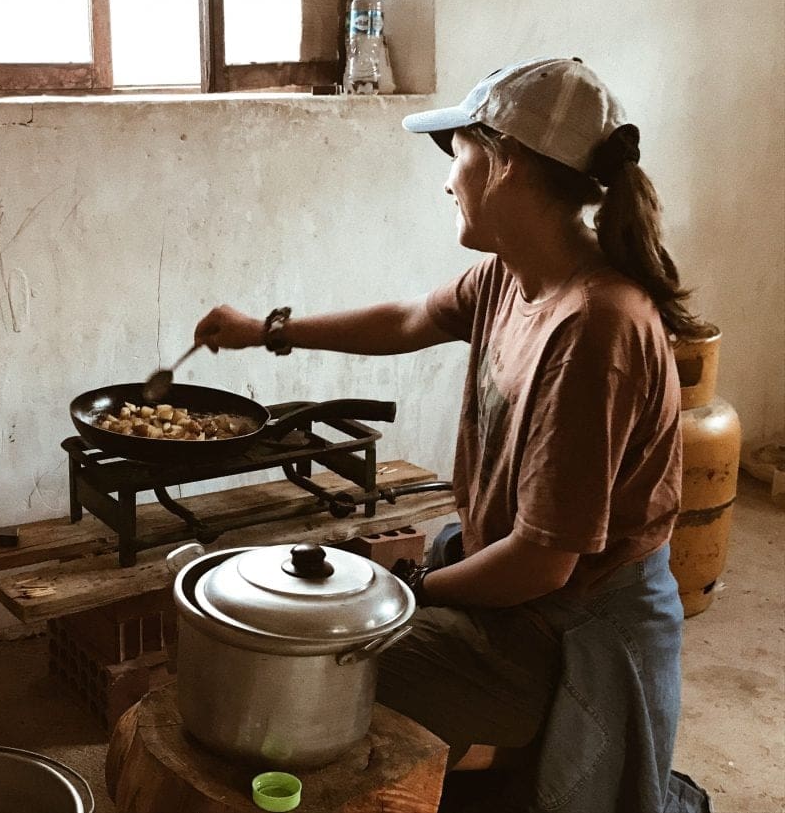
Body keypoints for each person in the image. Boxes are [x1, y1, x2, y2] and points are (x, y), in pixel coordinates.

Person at [193, 58, 713, 813]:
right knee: (351, 617)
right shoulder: (513, 274)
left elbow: (541, 563)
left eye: (457, 154)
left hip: (569, 632)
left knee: (347, 669)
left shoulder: (595, 328)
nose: (448, 179)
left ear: (502, 162)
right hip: (522, 591)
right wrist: (266, 330)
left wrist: (411, 593)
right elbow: (411, 318)